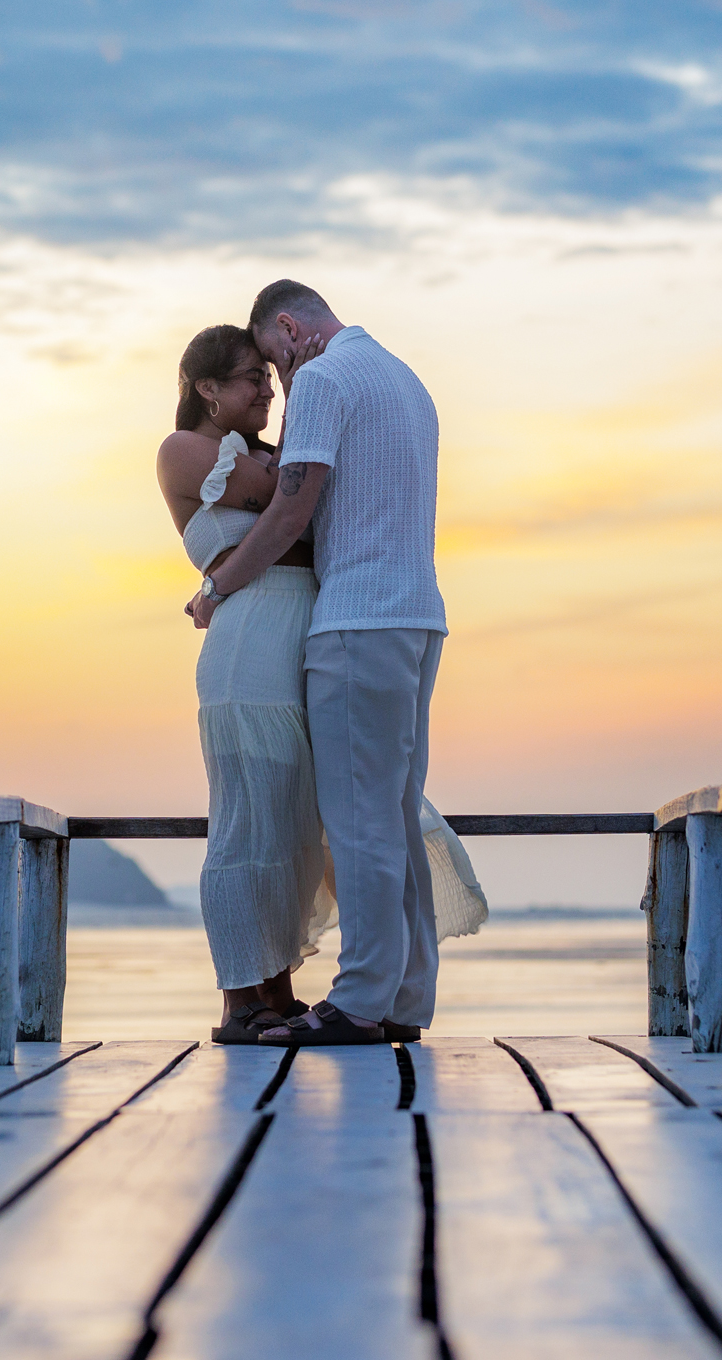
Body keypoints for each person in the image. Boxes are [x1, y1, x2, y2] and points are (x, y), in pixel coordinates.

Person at [162, 320, 485, 1046]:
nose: (270, 391)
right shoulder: (187, 450)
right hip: (250, 646)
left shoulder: (280, 440)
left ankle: (289, 984)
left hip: (307, 637)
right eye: (253, 378)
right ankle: (243, 994)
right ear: (206, 389)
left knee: (303, 825)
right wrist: (319, 414)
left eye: (272, 379)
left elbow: (301, 495)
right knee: (250, 820)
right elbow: (286, 492)